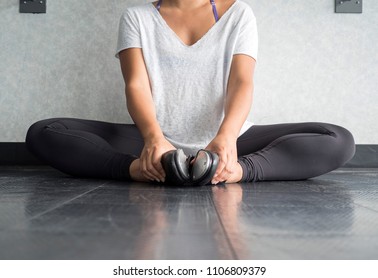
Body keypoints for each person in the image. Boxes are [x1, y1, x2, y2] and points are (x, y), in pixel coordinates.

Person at [25, 0, 355, 185]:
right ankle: (140, 169)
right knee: (44, 132)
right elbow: (136, 84)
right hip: (157, 140)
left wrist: (226, 140)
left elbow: (242, 81)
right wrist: (154, 140)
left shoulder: (239, 14)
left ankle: (233, 171)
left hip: (229, 139)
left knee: (338, 139)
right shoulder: (137, 18)